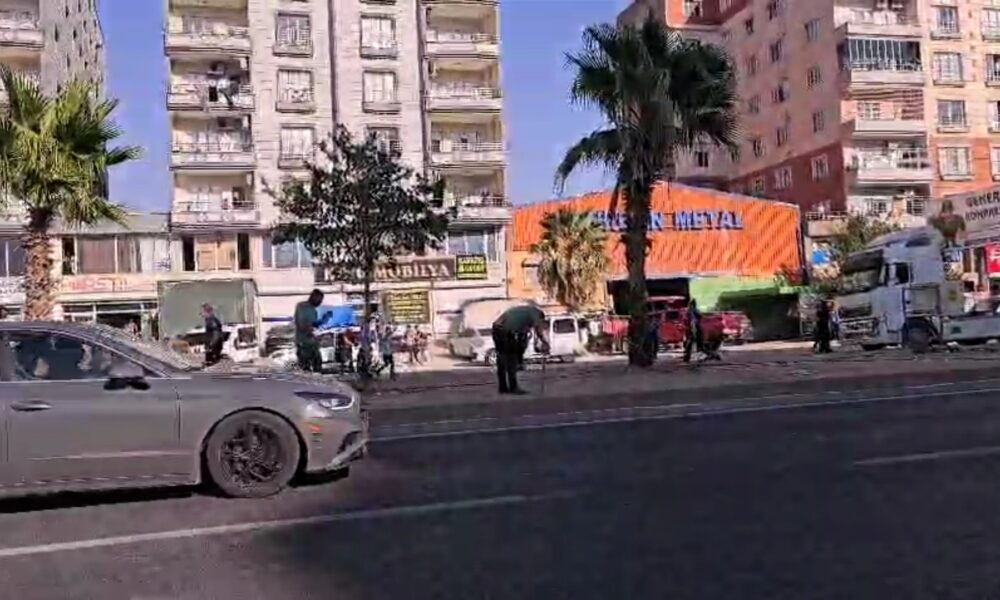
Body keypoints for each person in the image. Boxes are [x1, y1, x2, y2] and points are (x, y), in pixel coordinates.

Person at [491, 305, 549, 394]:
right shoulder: (535, 314)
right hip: (505, 331)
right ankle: (513, 387)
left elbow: (523, 334)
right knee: (511, 358)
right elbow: (538, 329)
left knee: (502, 358)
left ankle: (503, 387)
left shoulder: (525, 312)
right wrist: (545, 342)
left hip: (496, 328)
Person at [294, 289, 329, 372]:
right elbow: (301, 324)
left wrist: (324, 320)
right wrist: (312, 332)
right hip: (303, 343)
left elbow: (313, 324)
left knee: (318, 365)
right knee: (305, 368)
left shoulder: (313, 310)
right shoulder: (301, 306)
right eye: (319, 300)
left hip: (313, 343)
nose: (320, 302)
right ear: (313, 297)